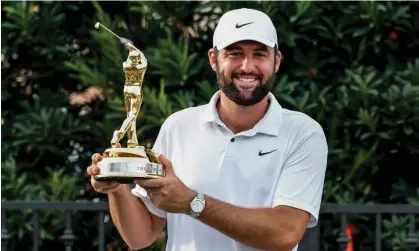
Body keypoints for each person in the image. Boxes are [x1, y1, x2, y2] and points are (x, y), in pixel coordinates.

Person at [87, 8, 328, 251]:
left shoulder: (303, 133)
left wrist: (192, 203)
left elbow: (285, 233)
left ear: (276, 61)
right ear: (214, 59)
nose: (247, 66)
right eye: (234, 53)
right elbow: (140, 237)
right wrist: (117, 188)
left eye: (260, 54)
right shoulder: (178, 126)